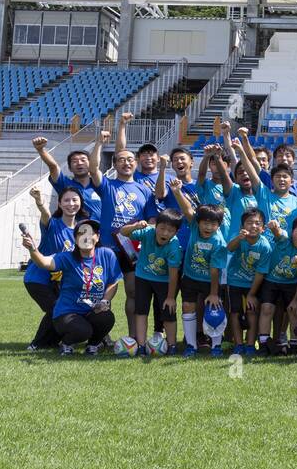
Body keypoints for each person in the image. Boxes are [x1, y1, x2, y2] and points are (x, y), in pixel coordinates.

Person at [20, 218, 120, 355]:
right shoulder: (67, 257)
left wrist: (105, 301)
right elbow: (45, 263)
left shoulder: (107, 255)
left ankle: (93, 346)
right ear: (75, 239)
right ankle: (66, 344)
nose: (86, 237)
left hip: (92, 310)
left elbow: (113, 282)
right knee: (83, 331)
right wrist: (33, 249)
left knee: (107, 317)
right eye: (81, 233)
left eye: (91, 233)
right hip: (67, 312)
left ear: (98, 237)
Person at [89, 127, 148, 335]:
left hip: (132, 249)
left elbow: (149, 219)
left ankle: (133, 336)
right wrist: (99, 143)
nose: (126, 162)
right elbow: (93, 167)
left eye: (130, 159)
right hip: (109, 247)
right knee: (102, 291)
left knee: (132, 292)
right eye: (121, 159)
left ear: (136, 163)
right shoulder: (107, 185)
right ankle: (99, 337)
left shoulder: (144, 189)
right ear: (114, 165)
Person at [170, 184, 228, 356]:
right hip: (190, 277)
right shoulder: (194, 227)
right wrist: (177, 192)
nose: (208, 227)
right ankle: (191, 345)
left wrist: (214, 293)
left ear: (218, 225)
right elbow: (187, 208)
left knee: (215, 310)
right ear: (198, 223)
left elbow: (215, 270)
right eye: (205, 223)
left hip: (211, 281)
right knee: (188, 306)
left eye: (213, 224)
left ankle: (216, 345)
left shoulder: (219, 243)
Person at [23, 186, 82, 350]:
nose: (71, 203)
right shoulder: (53, 225)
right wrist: (40, 202)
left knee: (63, 309)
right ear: (60, 204)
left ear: (80, 203)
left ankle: (52, 342)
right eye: (67, 200)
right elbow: (46, 215)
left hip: (58, 283)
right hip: (37, 279)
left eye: (75, 200)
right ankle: (36, 344)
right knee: (56, 309)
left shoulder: (80, 231)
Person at [116, 209, 183, 354]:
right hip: (143, 278)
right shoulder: (147, 232)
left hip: (164, 282)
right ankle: (140, 346)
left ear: (176, 232)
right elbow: (122, 232)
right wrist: (135, 226)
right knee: (141, 311)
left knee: (168, 313)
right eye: (162, 228)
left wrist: (171, 297)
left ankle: (171, 345)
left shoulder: (174, 247)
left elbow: (173, 275)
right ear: (155, 226)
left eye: (170, 230)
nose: (165, 233)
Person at [251, 215, 297, 354]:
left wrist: (296, 299)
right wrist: (275, 227)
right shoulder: (285, 240)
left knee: (294, 310)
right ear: (292, 232)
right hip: (271, 280)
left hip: (292, 283)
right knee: (266, 308)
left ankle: (294, 345)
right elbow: (278, 233)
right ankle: (263, 344)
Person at [223, 208, 273, 357]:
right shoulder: (239, 238)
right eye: (249, 222)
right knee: (235, 312)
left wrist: (252, 293)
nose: (253, 226)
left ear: (263, 228)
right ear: (242, 226)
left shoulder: (265, 246)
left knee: (252, 311)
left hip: (253, 284)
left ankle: (250, 344)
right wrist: (239, 239)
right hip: (235, 282)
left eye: (257, 223)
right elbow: (229, 248)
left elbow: (260, 273)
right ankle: (238, 344)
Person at [33, 135, 102, 218]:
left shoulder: (101, 185)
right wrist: (41, 150)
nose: (79, 163)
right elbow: (53, 166)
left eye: (83, 160)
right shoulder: (65, 184)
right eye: (75, 161)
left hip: (100, 230)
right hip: (75, 230)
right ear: (69, 168)